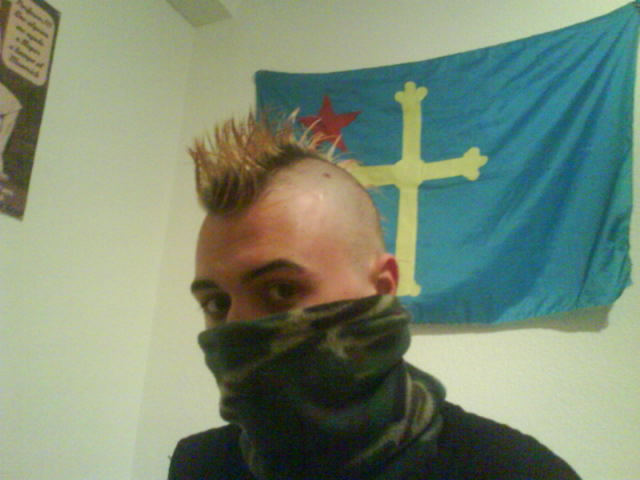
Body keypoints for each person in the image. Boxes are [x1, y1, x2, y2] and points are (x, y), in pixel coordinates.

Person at [168, 113, 581, 480]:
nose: (235, 328)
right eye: (216, 303)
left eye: (281, 290)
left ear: (382, 287)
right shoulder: (200, 465)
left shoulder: (516, 471)